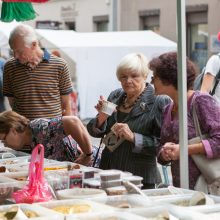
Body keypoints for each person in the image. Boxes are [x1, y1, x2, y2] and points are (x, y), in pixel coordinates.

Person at [87, 53, 170, 189]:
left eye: (134, 76)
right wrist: (101, 118)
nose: (128, 81)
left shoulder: (159, 100)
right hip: (108, 172)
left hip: (139, 178)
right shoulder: (115, 95)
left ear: (145, 75)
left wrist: (133, 137)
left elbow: (163, 146)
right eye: (124, 77)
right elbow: (93, 132)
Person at [149, 51, 220, 190]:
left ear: (169, 78)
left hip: (207, 187)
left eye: (154, 77)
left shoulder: (200, 101)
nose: (151, 82)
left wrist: (183, 149)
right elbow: (162, 146)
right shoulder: (168, 108)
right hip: (182, 188)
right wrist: (164, 153)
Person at [3, 24, 73, 120]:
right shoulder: (9, 67)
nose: (15, 56)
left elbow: (66, 106)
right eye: (13, 51)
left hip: (53, 133)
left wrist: (68, 131)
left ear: (34, 45)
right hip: (23, 132)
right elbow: (12, 103)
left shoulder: (60, 65)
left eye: (19, 51)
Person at [0, 110, 94, 165]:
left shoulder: (39, 128)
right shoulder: (28, 142)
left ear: (13, 130)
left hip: (93, 166)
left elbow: (73, 122)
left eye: (4, 139)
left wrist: (88, 154)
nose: (5, 144)